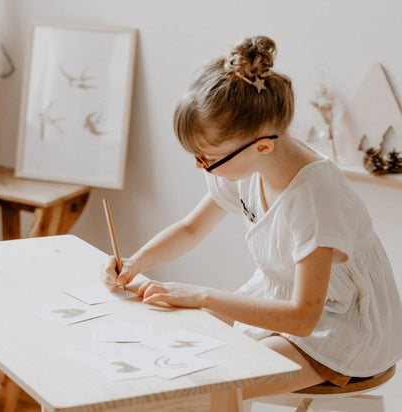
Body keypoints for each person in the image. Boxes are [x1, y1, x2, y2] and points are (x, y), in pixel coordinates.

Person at [101, 35, 402, 396]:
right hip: (286, 306)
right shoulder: (252, 166)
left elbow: (303, 317)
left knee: (209, 383)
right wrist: (135, 262)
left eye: (206, 158)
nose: (201, 167)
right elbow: (191, 228)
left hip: (342, 328)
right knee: (168, 344)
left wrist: (202, 295)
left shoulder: (315, 198)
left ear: (262, 146)